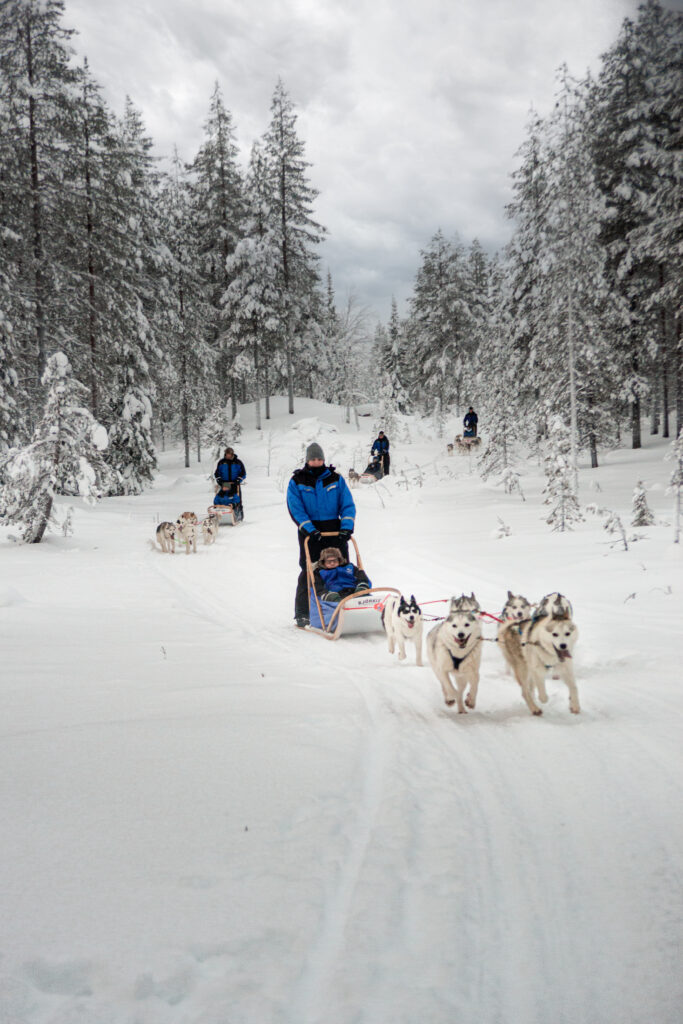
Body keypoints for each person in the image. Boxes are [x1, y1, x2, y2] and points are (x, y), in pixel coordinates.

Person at [286, 442, 356, 627]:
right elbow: (296, 509)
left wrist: (346, 527)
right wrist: (310, 529)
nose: (316, 462)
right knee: (310, 570)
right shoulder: (297, 481)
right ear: (307, 460)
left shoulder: (335, 479)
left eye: (319, 459)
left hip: (335, 530)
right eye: (313, 459)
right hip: (311, 533)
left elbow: (347, 504)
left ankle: (347, 606)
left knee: (342, 568)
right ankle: (303, 612)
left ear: (323, 459)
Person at [214, 446, 246, 517]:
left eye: (229, 454)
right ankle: (221, 513)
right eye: (226, 454)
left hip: (235, 483)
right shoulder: (221, 462)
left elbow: (243, 473)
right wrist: (219, 480)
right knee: (222, 496)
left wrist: (238, 480)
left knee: (236, 498)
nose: (227, 455)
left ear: (232, 454)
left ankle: (238, 515)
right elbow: (217, 473)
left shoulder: (238, 462)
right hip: (224, 483)